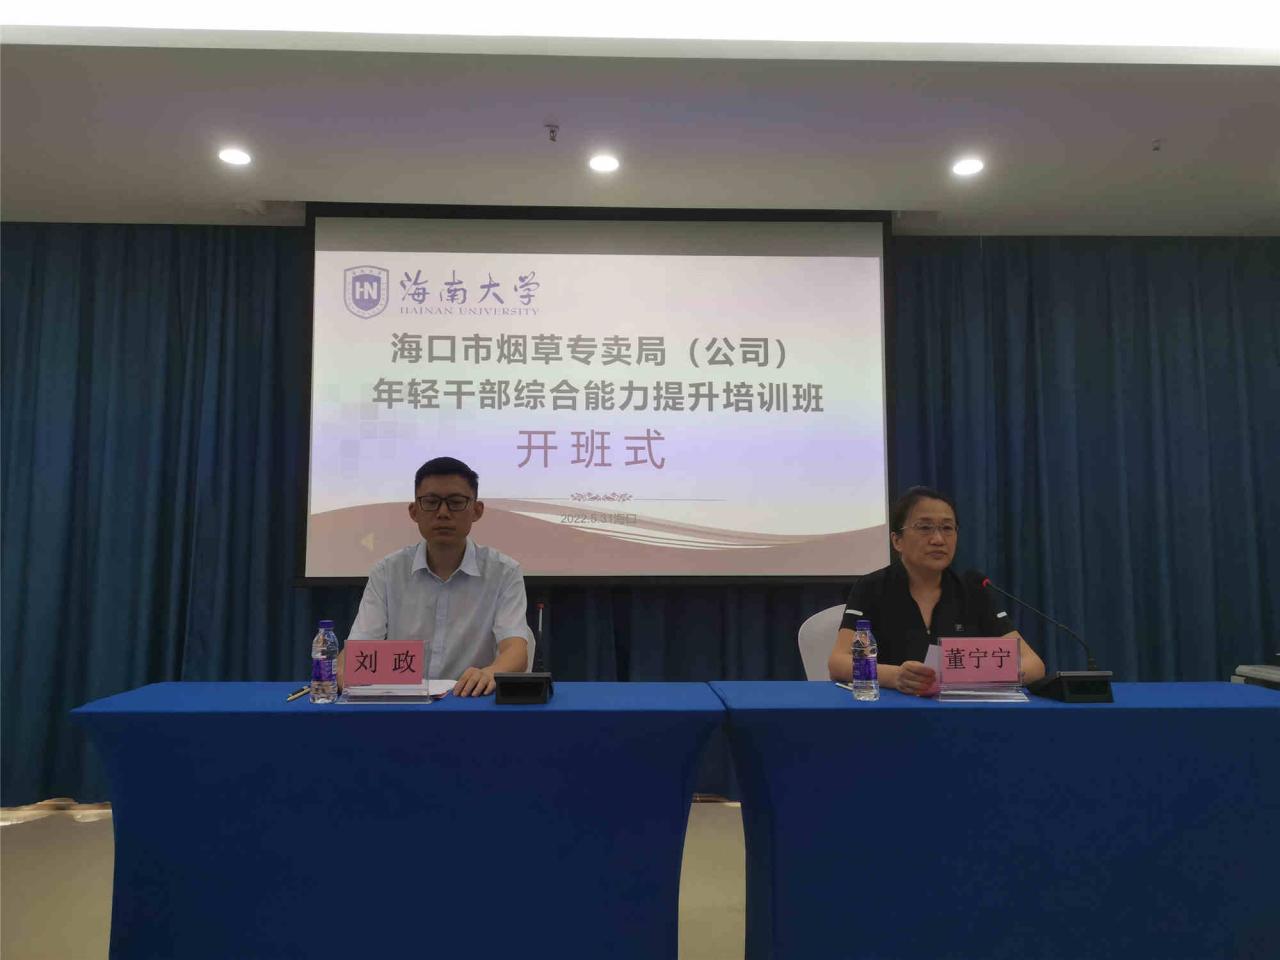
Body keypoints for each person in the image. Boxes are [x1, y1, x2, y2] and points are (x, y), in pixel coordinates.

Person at [338, 456, 534, 697]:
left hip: (471, 701)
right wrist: (343, 671)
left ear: (477, 510)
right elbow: (359, 648)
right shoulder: (388, 572)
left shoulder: (504, 572)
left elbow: (515, 650)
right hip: (403, 703)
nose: (443, 513)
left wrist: (491, 672)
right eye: (431, 502)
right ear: (414, 511)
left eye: (456, 502)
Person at [828, 486, 1046, 694]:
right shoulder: (871, 587)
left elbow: (1034, 665)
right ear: (897, 541)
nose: (938, 539)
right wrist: (894, 676)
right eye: (924, 528)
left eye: (947, 528)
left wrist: (972, 676)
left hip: (958, 709)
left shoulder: (974, 591)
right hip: (891, 708)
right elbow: (838, 662)